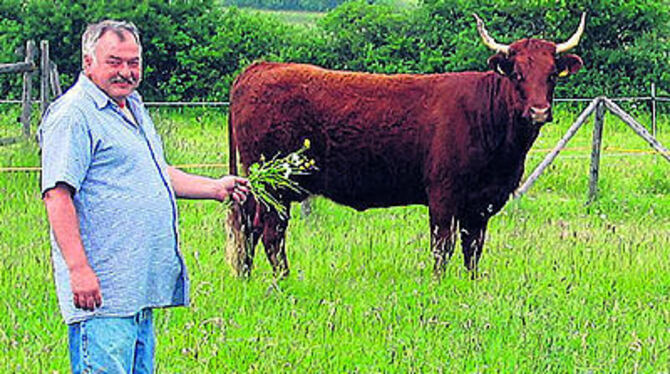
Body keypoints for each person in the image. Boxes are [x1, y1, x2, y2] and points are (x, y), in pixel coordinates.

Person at [39, 20, 248, 373]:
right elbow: (57, 195)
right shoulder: (74, 115)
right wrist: (79, 269)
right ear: (88, 62)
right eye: (114, 61)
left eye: (133, 62)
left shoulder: (131, 105)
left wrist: (214, 188)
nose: (126, 72)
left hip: (136, 290)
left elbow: (156, 172)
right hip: (102, 296)